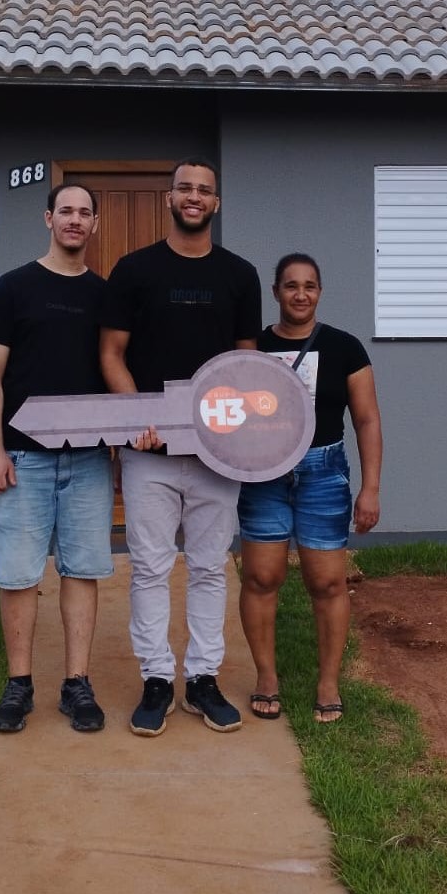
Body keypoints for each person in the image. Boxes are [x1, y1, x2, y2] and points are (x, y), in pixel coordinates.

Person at [100, 157, 262, 736]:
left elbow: (247, 366)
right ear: (169, 198)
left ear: (216, 204)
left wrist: (234, 432)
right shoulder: (134, 270)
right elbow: (112, 355)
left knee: (211, 568)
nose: (194, 197)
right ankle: (155, 679)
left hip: (218, 456)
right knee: (148, 568)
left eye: (205, 191)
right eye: (185, 189)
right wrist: (137, 418)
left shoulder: (239, 276)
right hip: (149, 454)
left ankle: (202, 680)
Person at [0, 183, 114, 735]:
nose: (75, 221)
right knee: (17, 575)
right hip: (22, 460)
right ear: (48, 217)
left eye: (85, 213)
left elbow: (117, 370)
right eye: (67, 211)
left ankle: (77, 684)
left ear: (94, 224)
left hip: (87, 462)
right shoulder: (14, 288)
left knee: (82, 571)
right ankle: (19, 684)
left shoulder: (105, 296)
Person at [237, 253, 382, 724]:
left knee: (327, 582)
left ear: (320, 292)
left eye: (310, 286)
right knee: (261, 578)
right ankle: (266, 677)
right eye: (291, 286)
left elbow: (366, 419)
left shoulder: (345, 347)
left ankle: (327, 682)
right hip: (264, 476)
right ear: (275, 292)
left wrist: (370, 488)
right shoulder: (251, 347)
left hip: (323, 472)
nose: (300, 294)